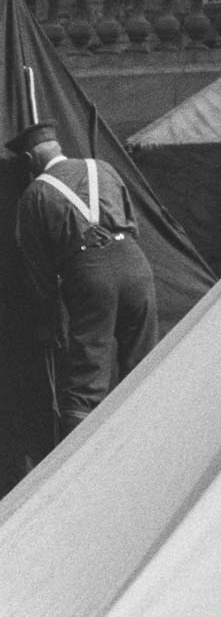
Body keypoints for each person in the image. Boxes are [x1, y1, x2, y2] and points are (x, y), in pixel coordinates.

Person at [7, 120, 157, 437]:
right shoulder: (103, 168)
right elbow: (131, 221)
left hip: (90, 272)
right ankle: (149, 435)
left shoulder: (35, 195)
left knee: (87, 376)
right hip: (135, 262)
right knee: (144, 362)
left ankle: (78, 461)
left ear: (30, 160)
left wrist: (50, 322)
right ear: (57, 148)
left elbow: (38, 270)